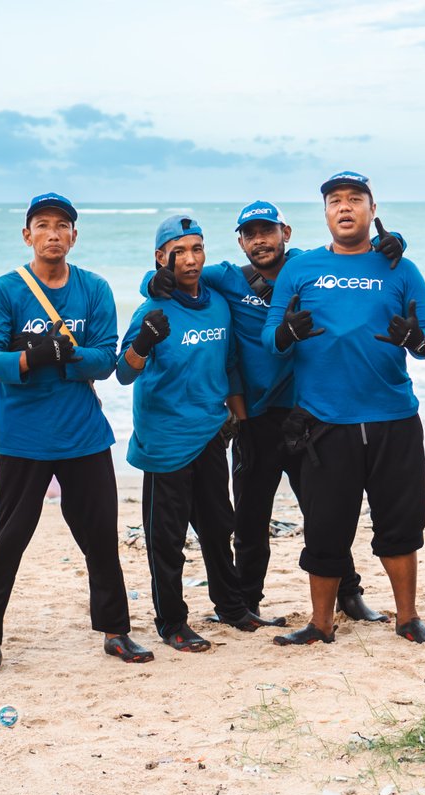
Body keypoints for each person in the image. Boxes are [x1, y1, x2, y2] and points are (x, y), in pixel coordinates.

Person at [141, 200, 401, 623]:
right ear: (240, 241)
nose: (260, 240)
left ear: (287, 233)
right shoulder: (227, 278)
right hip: (255, 421)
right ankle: (247, 602)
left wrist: (389, 246)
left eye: (268, 231)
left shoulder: (308, 269)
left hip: (309, 417)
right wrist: (152, 286)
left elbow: (354, 264)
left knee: (325, 512)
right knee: (248, 519)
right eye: (250, 234)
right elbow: (172, 278)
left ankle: (349, 595)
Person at [0, 192, 153, 676]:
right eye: (42, 225)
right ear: (27, 235)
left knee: (100, 538)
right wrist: (31, 359)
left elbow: (107, 360)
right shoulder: (6, 289)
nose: (53, 233)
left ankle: (115, 632)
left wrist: (66, 354)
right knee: (8, 539)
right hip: (20, 437)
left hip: (83, 435)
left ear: (74, 234)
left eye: (62, 225)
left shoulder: (93, 289)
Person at [262, 170, 425, 647]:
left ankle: (408, 618)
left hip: (392, 419)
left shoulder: (401, 268)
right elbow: (269, 341)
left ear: (372, 209)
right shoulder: (300, 270)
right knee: (324, 530)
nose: (345, 207)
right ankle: (321, 623)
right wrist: (287, 334)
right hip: (325, 422)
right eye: (335, 201)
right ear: (325, 214)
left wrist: (416, 338)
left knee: (401, 526)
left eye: (355, 199)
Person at [117, 215, 280, 652]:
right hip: (166, 440)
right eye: (180, 250)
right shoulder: (151, 310)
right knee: (166, 541)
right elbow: (122, 374)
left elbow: (229, 366)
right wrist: (143, 344)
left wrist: (239, 420)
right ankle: (172, 623)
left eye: (197, 249)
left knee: (216, 526)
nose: (190, 259)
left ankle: (231, 607)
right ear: (160, 258)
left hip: (211, 433)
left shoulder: (218, 304)